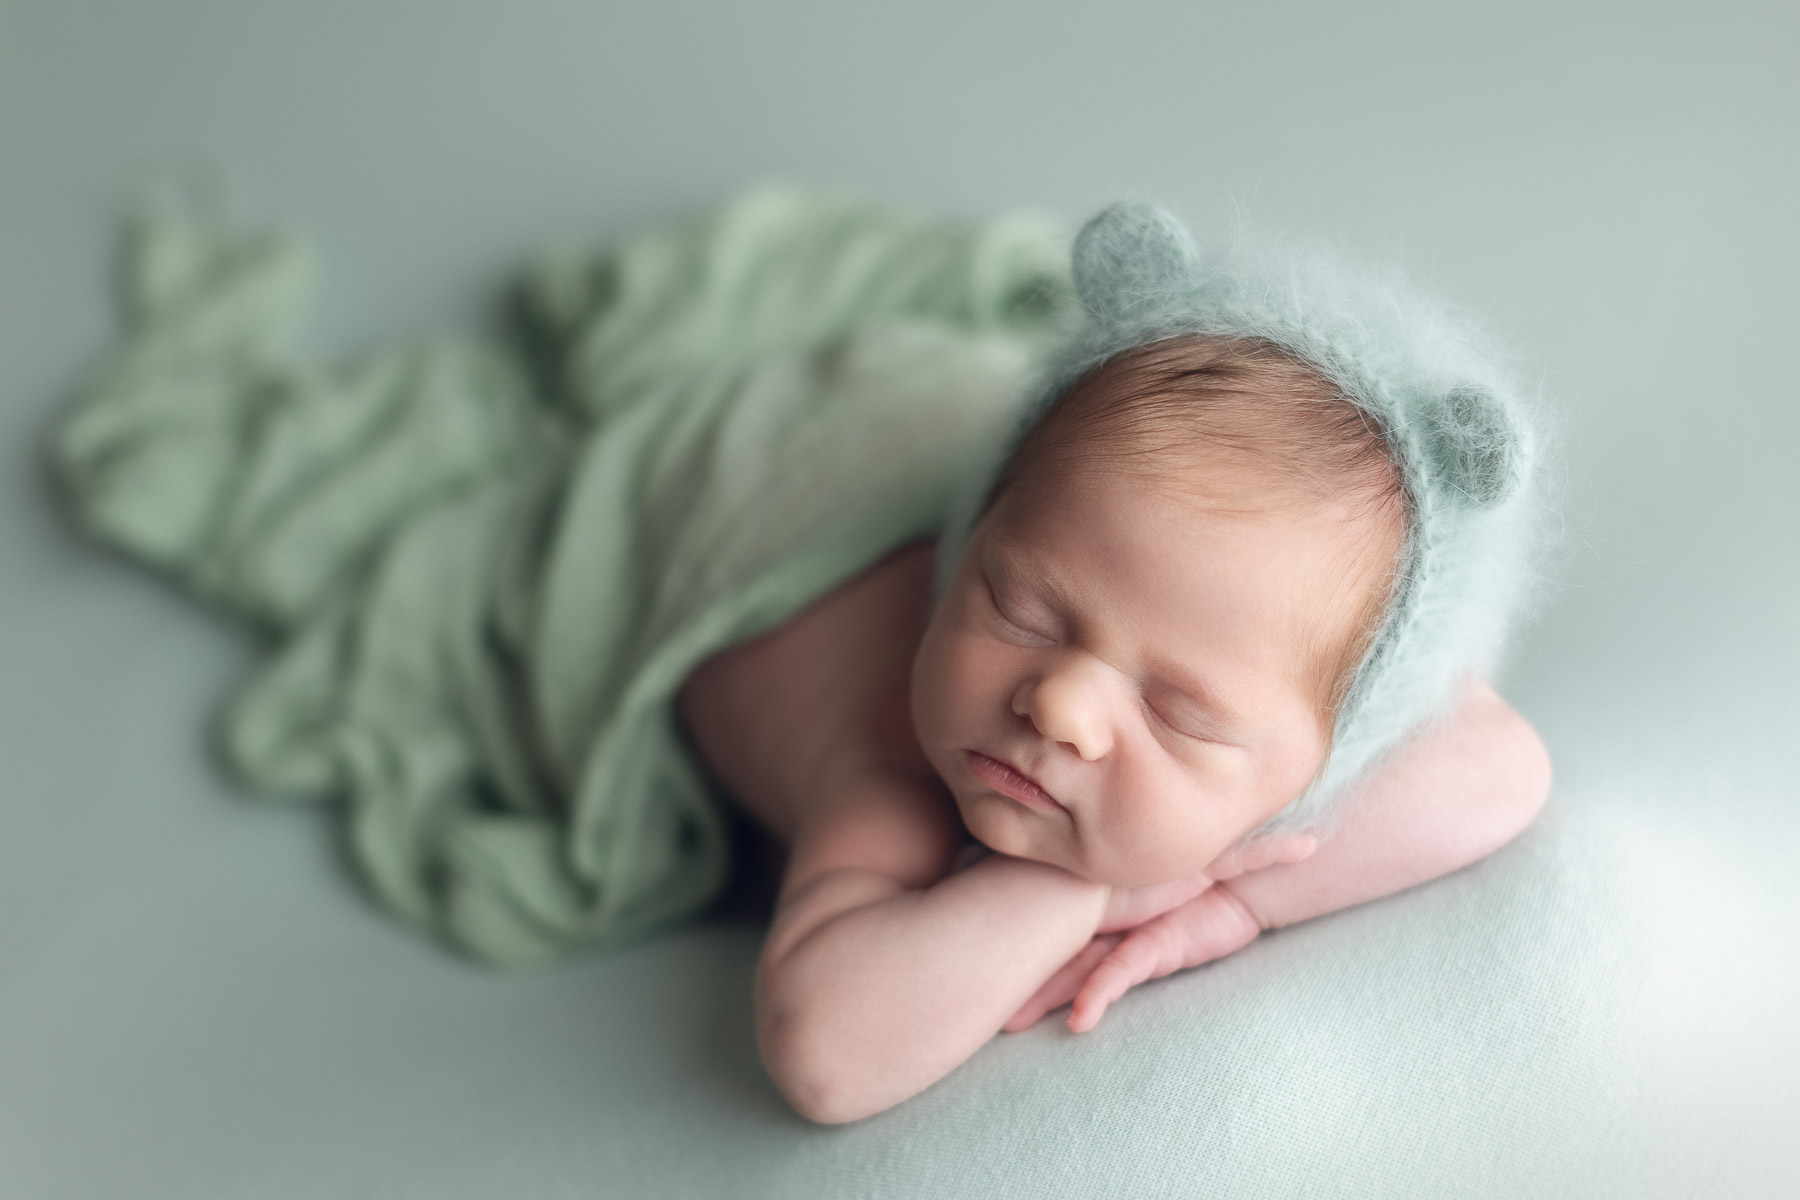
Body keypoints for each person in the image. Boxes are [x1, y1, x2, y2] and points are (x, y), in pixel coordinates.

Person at [677, 202, 1552, 1124]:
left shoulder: (1292, 708)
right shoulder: (893, 757)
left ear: (1319, 767)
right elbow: (828, 1055)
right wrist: (1090, 891)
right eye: (1018, 609)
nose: (1060, 707)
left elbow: (1504, 764)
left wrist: (1233, 903)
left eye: (1180, 713)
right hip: (760, 493)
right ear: (970, 544)